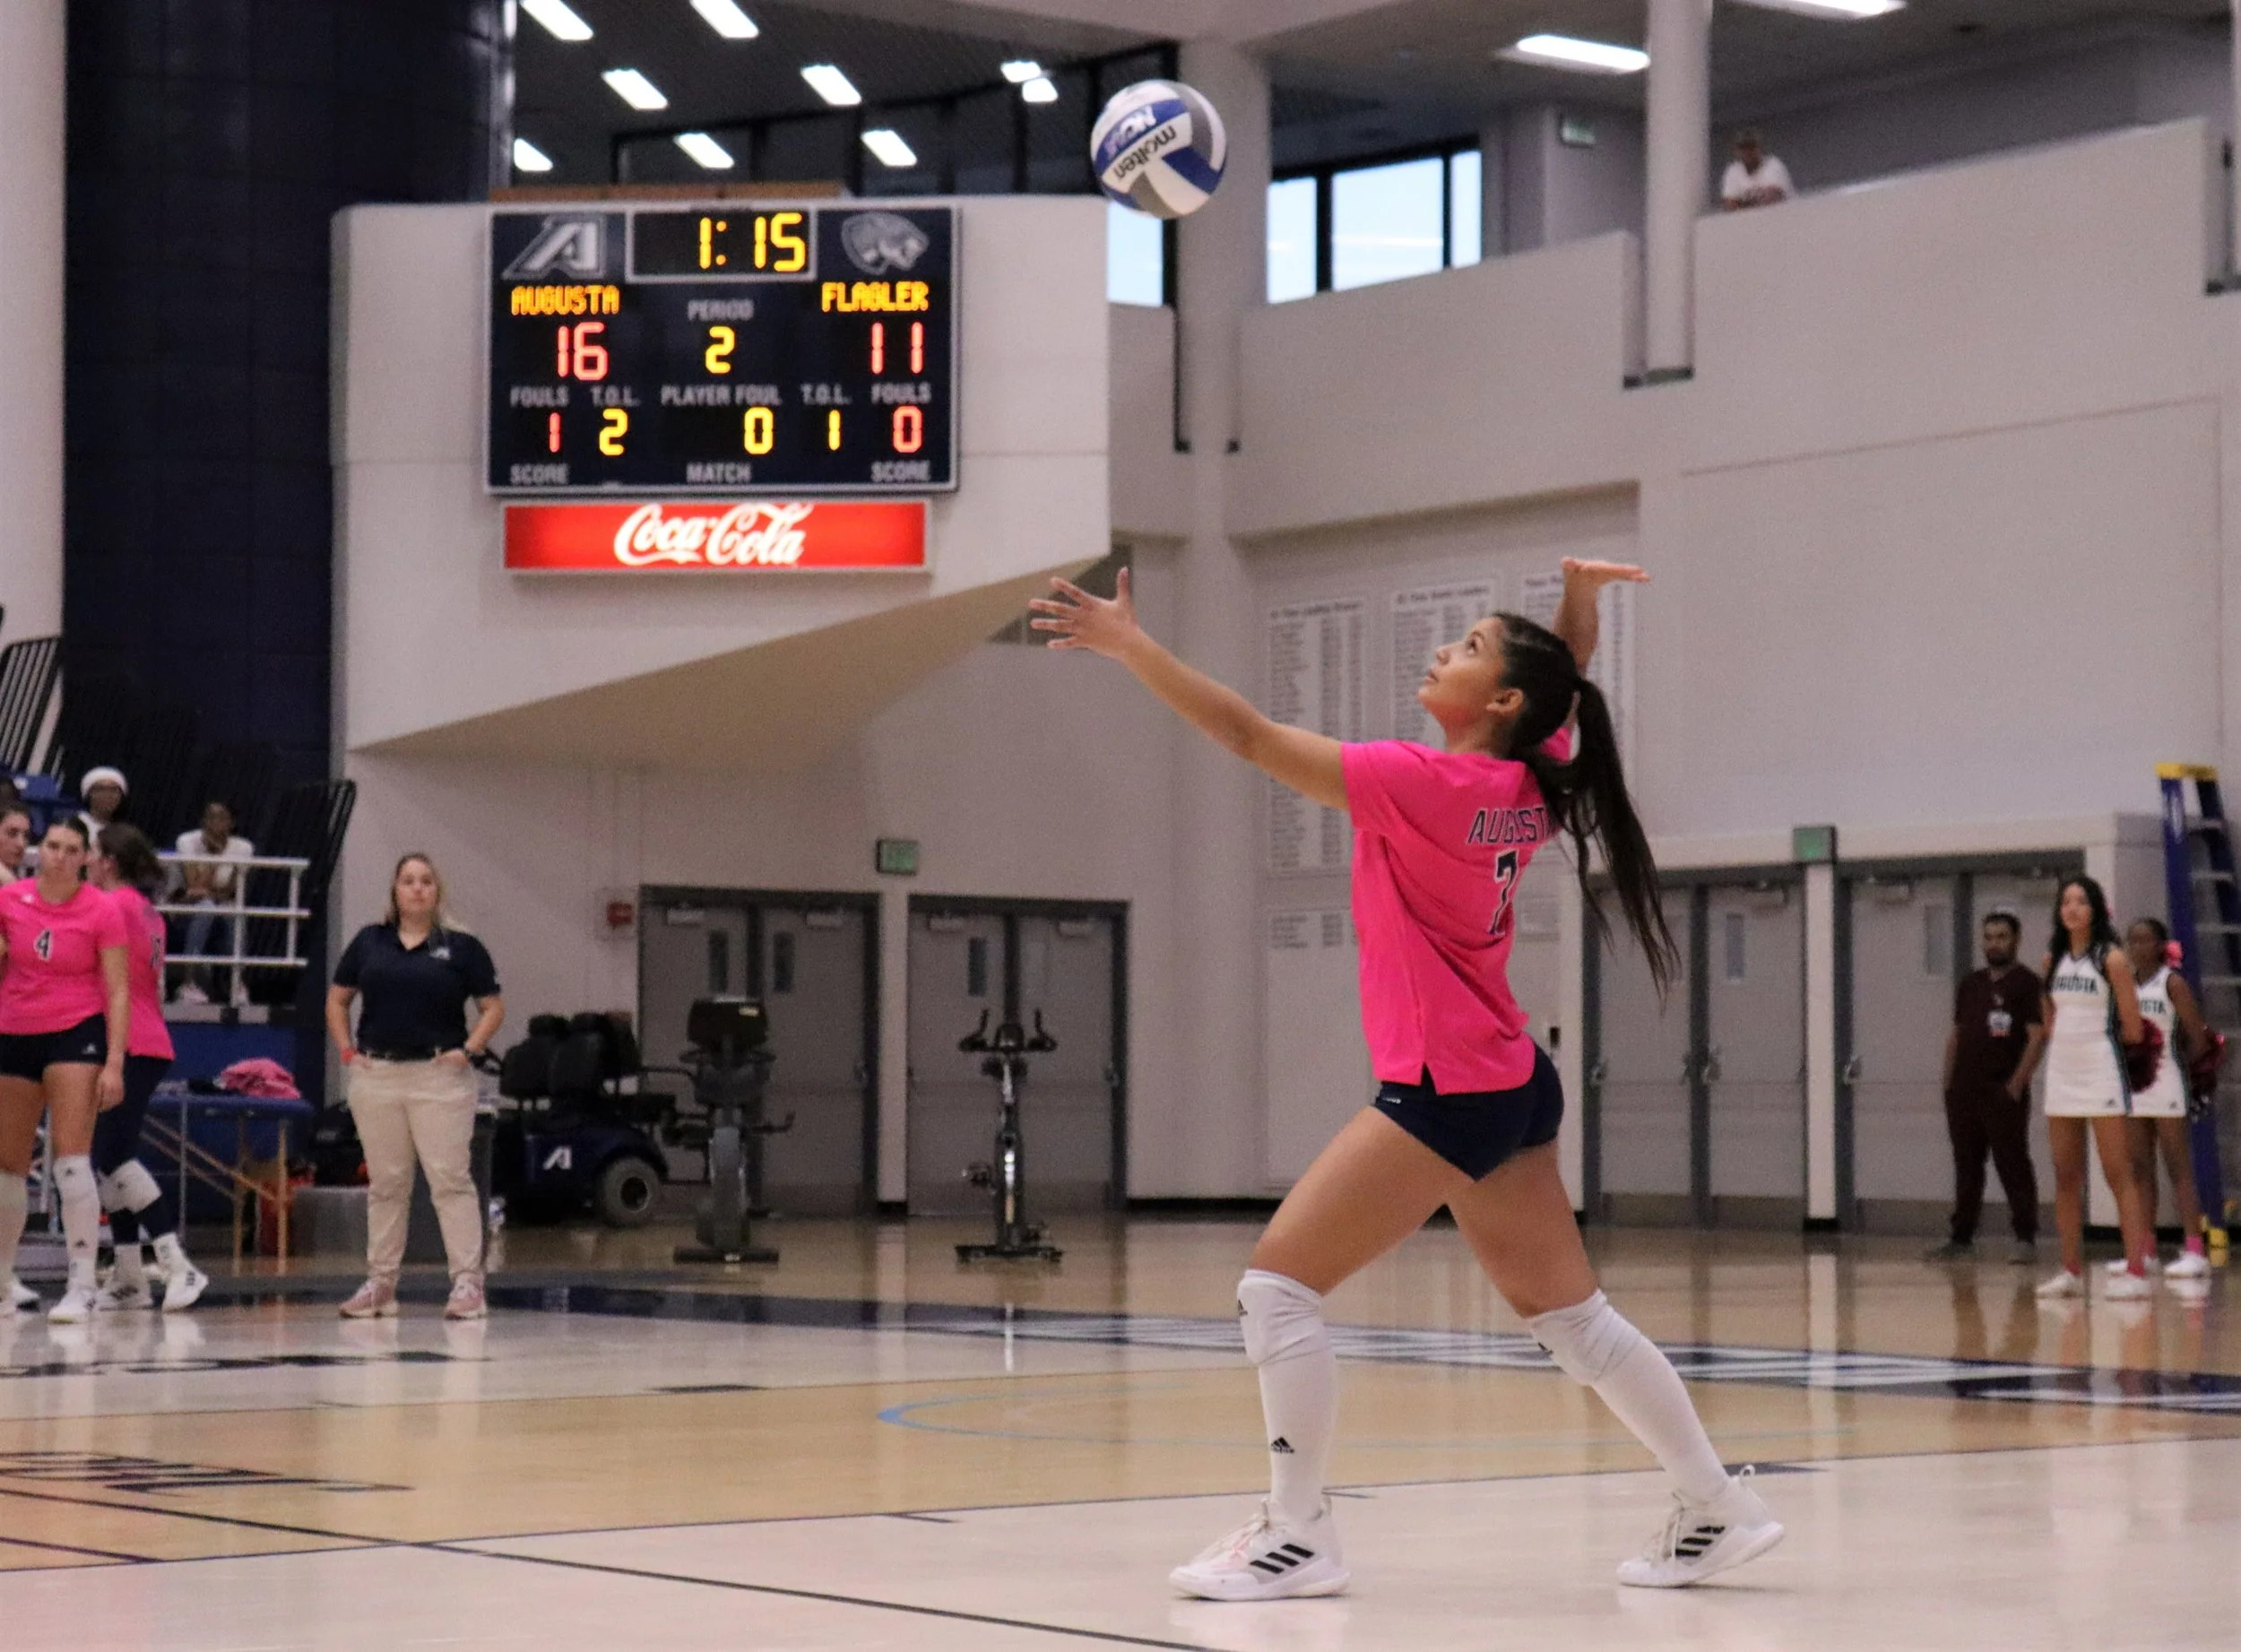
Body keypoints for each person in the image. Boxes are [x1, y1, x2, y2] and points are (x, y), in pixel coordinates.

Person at [1029, 558, 1781, 1597]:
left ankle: (1298, 1535)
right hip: (1509, 1075)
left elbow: (1247, 735)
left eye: (1467, 647)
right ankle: (1714, 1503)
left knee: (1277, 1291)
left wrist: (1130, 646)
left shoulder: (1422, 782)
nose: (1440, 650)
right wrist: (1577, 604)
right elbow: (1558, 685)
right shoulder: (1532, 781)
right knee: (1574, 1321)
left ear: (1501, 701)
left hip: (1445, 1084)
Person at [326, 853, 503, 1321]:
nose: (418, 888)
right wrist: (347, 1051)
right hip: (378, 1074)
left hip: (439, 1076)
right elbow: (338, 1000)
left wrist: (468, 1050)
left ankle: (468, 1282)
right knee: (387, 1182)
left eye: (426, 881)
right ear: (395, 891)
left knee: (450, 1179)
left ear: (437, 891)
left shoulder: (462, 947)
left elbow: (492, 1007)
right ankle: (381, 1283)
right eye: (408, 881)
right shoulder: (370, 941)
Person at [0, 818, 131, 1323]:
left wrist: (114, 1062)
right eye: (52, 846)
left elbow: (118, 990)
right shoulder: (10, 900)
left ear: (86, 857)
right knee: (8, 1165)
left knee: (71, 1159)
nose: (59, 855)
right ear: (41, 850)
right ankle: (3, 1283)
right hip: (15, 1030)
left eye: (71, 849)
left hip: (76, 1031)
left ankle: (82, 1284)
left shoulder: (102, 909)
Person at [88, 825, 208, 1311]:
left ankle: (177, 1263)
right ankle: (128, 1275)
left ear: (109, 862)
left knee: (112, 1156)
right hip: (146, 1034)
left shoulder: (111, 906)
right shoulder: (146, 910)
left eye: (92, 853)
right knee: (107, 1157)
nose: (87, 862)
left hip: (130, 1039)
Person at [2033, 877, 2159, 1300]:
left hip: (2101, 1071)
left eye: (2081, 901)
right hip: (2061, 1074)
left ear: (2096, 909)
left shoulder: (2113, 958)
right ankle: (2070, 1270)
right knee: (2065, 1176)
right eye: (2065, 902)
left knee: (2118, 1172)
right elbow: (2049, 1021)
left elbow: (2134, 1028)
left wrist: (2095, 1043)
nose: (2072, 909)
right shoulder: (2051, 960)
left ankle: (2136, 1271)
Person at [1925, 911, 2044, 1263]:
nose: (1994, 944)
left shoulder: (2028, 984)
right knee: (1967, 1164)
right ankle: (1961, 1237)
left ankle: (2025, 1237)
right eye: (1989, 937)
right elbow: (1957, 1033)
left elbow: (2037, 1037)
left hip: (2002, 1090)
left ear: (2016, 940)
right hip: (1965, 1090)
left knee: (2012, 1163)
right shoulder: (1971, 983)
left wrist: (2017, 1083)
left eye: (2002, 937)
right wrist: (1948, 1081)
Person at [2114, 918, 2212, 1282]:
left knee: (2178, 1166)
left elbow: (2198, 1037)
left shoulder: (2172, 983)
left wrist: (2182, 1068)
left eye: (2145, 940)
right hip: (2135, 1086)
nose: (2138, 946)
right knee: (2140, 1169)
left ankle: (2194, 1249)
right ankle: (2146, 1250)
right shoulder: (2124, 984)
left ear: (2160, 945)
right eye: (2132, 940)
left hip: (2167, 1081)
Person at [171, 800, 255, 1006]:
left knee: (233, 911)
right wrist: (213, 855)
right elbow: (193, 885)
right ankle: (188, 983)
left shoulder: (243, 847)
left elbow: (232, 891)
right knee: (206, 907)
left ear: (232, 823)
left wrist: (208, 892)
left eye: (221, 817)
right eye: (210, 817)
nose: (214, 822)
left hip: (220, 903)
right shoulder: (187, 841)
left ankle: (237, 982)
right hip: (184, 907)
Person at [1720, 128, 1793, 212]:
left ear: (1759, 148)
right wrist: (1756, 199)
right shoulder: (1733, 170)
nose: (1747, 152)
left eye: (1751, 147)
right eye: (1743, 148)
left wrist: (1740, 202)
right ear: (1736, 151)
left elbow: (1772, 198)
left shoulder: (1773, 164)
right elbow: (1729, 205)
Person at [77, 766, 128, 837]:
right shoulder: (73, 825)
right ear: (88, 794)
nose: (107, 795)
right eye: (100, 789)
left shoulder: (124, 832)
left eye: (113, 790)